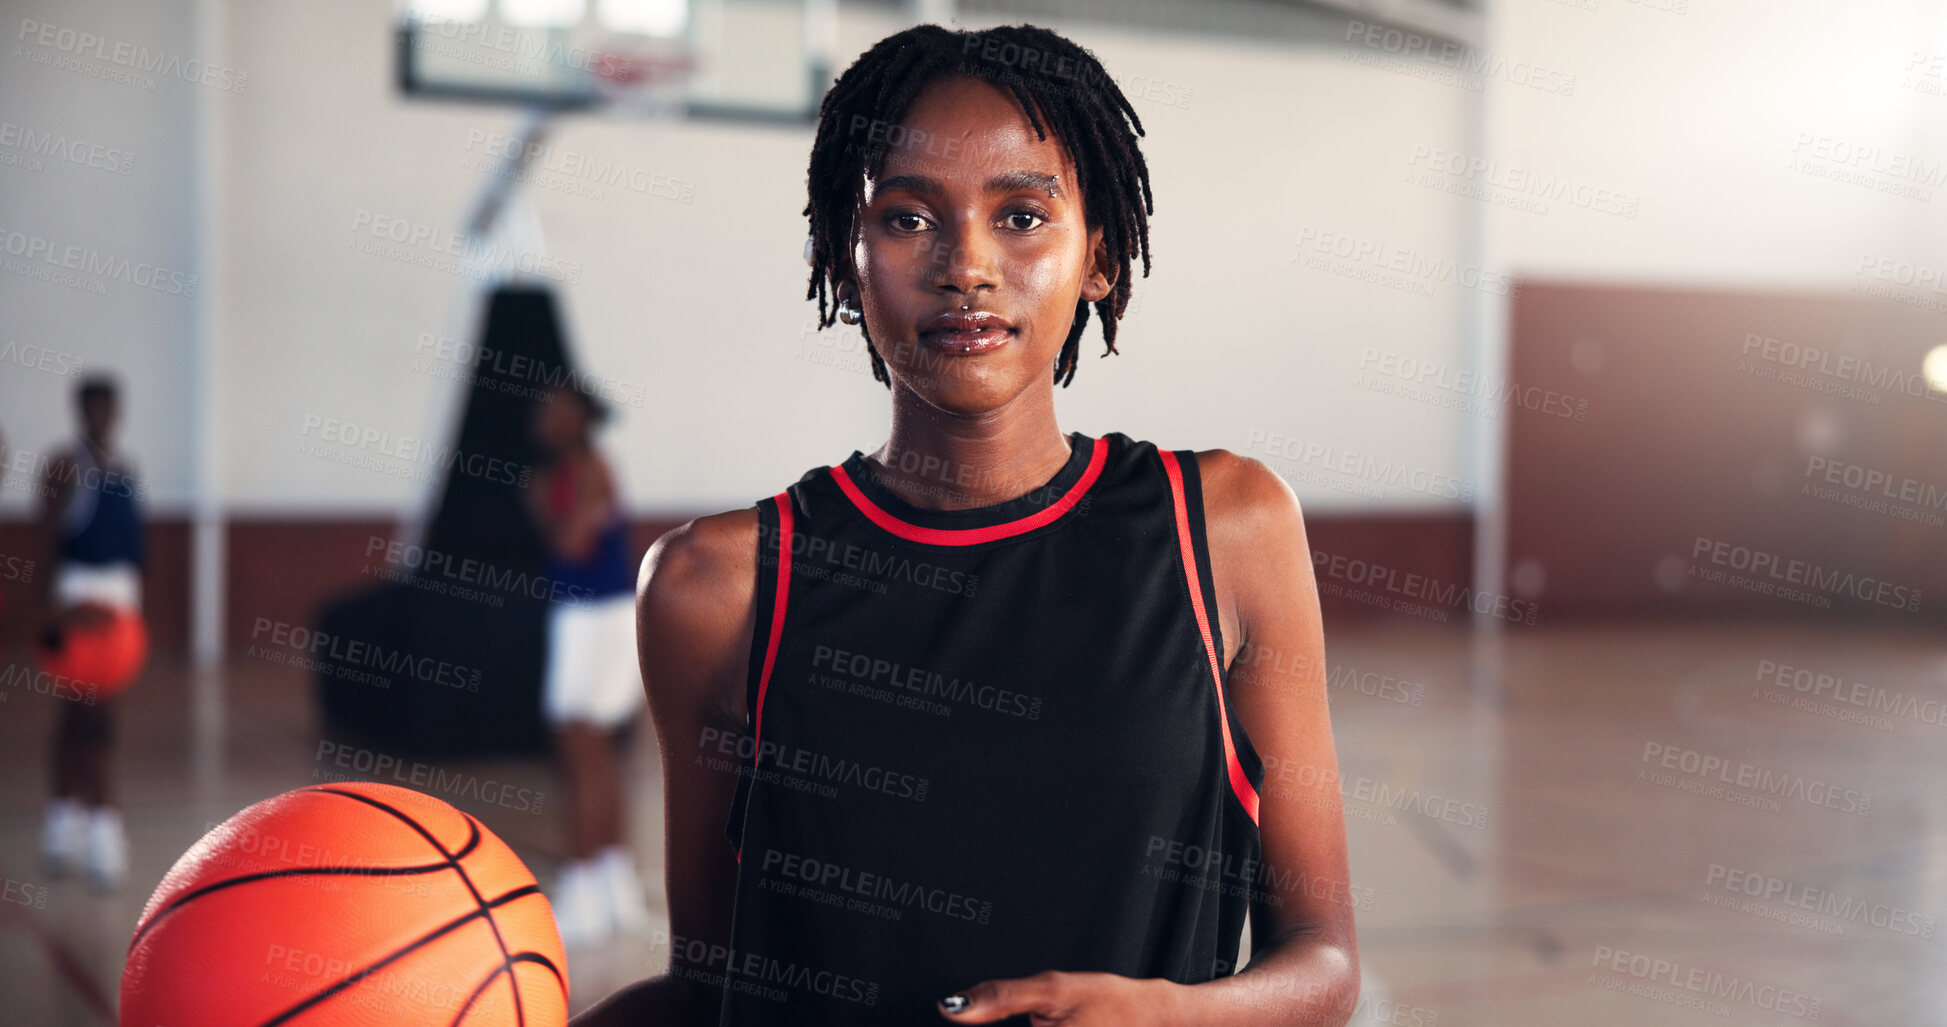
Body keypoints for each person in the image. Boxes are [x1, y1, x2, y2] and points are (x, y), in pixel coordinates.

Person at [576, 23, 1358, 1026]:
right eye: (906, 219)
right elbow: (711, 990)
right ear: (843, 259)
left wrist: (1173, 1013)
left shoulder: (1226, 530)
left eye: (1023, 214)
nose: (967, 266)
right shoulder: (718, 587)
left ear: (1100, 258)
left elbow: (1326, 965)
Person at [525, 382, 655, 946]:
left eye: (555, 408)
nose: (543, 416)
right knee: (596, 753)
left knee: (580, 754)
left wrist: (555, 509)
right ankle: (612, 886)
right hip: (594, 615)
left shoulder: (589, 467)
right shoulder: (560, 473)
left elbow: (570, 545)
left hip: (594, 620)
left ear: (578, 417)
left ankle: (580, 890)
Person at [39, 375, 144, 891]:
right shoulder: (64, 466)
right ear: (79, 410)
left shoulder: (125, 469)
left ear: (116, 411)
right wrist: (51, 613)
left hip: (120, 611)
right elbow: (44, 542)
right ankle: (91, 826)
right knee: (85, 720)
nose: (101, 416)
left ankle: (70, 821)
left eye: (108, 407)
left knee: (97, 720)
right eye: (92, 408)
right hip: (77, 606)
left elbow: (133, 551)